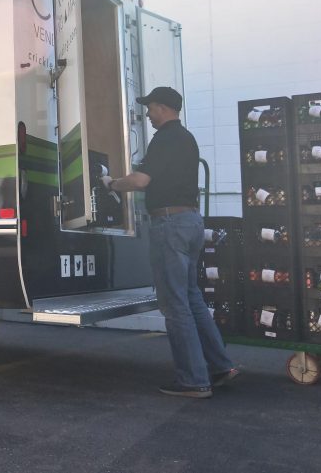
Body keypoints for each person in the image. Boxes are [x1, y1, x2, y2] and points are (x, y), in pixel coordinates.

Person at [102, 86, 238, 398]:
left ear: (162, 107)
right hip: (190, 222)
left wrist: (112, 184)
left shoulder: (164, 138)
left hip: (169, 224)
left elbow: (141, 180)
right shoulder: (187, 138)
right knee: (191, 298)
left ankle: (193, 380)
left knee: (175, 304)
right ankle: (220, 365)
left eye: (149, 107)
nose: (147, 113)